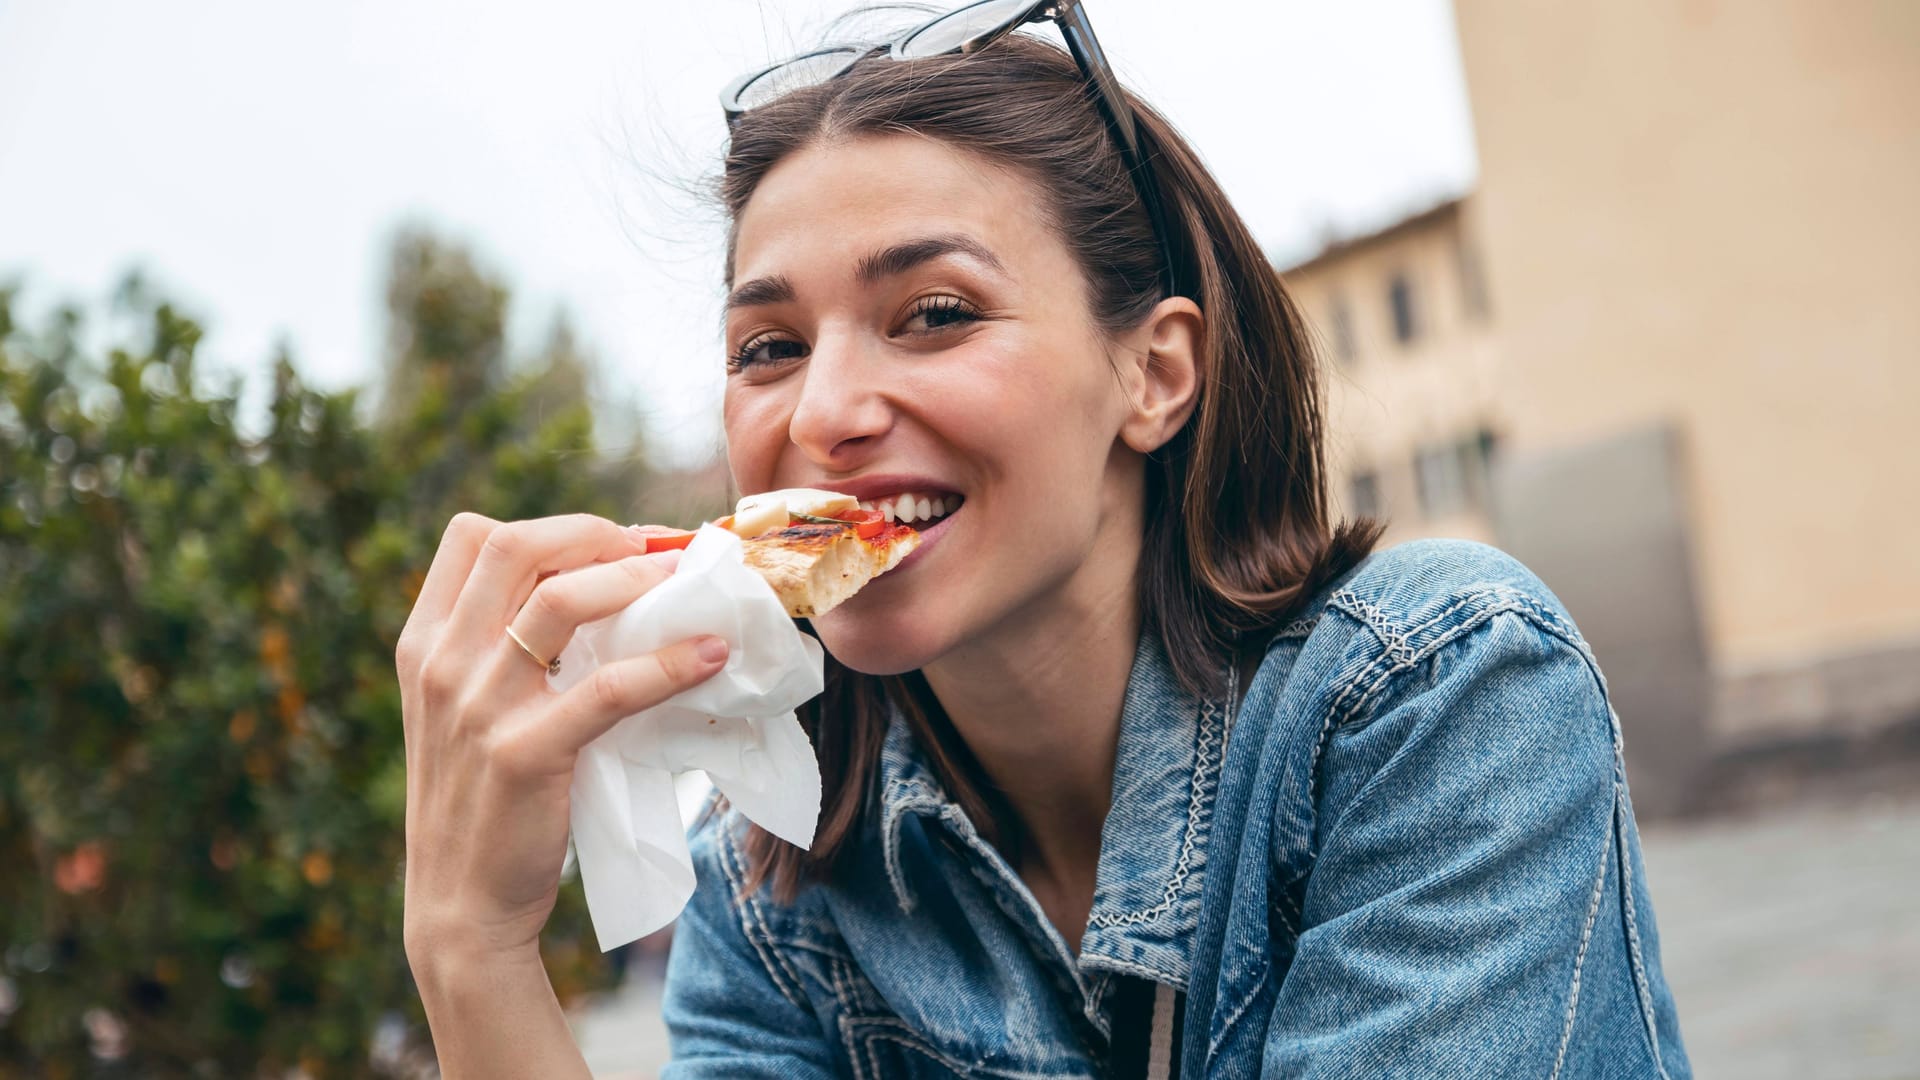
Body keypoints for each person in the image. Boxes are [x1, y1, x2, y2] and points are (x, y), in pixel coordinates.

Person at [396, 3, 1691, 1076]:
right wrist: (474, 949)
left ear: (1154, 373)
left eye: (937, 312)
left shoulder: (1432, 694)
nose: (829, 413)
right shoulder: (769, 891)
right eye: (769, 348)